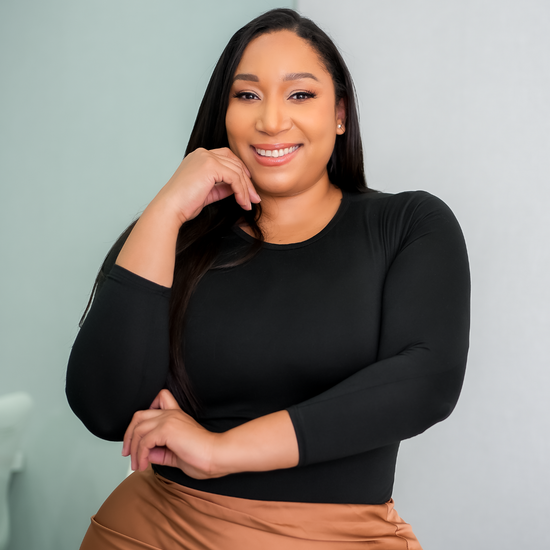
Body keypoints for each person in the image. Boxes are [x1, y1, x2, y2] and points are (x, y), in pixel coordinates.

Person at [66, 8, 470, 550]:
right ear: (223, 113)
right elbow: (105, 407)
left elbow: (427, 381)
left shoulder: (409, 226)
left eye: (300, 95)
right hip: (152, 533)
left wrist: (220, 450)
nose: (272, 121)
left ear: (341, 114)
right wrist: (164, 210)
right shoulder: (174, 236)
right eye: (247, 95)